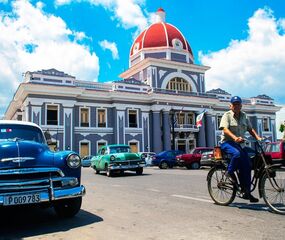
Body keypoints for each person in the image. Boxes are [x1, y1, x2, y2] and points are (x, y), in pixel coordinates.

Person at [219, 96, 262, 203]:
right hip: (227, 142)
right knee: (237, 154)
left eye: (238, 104)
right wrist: (235, 138)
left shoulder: (244, 116)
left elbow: (250, 129)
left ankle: (246, 192)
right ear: (231, 106)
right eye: (234, 104)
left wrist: (257, 137)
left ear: (241, 105)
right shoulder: (227, 115)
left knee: (247, 165)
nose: (236, 106)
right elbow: (224, 129)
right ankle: (229, 172)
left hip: (240, 144)